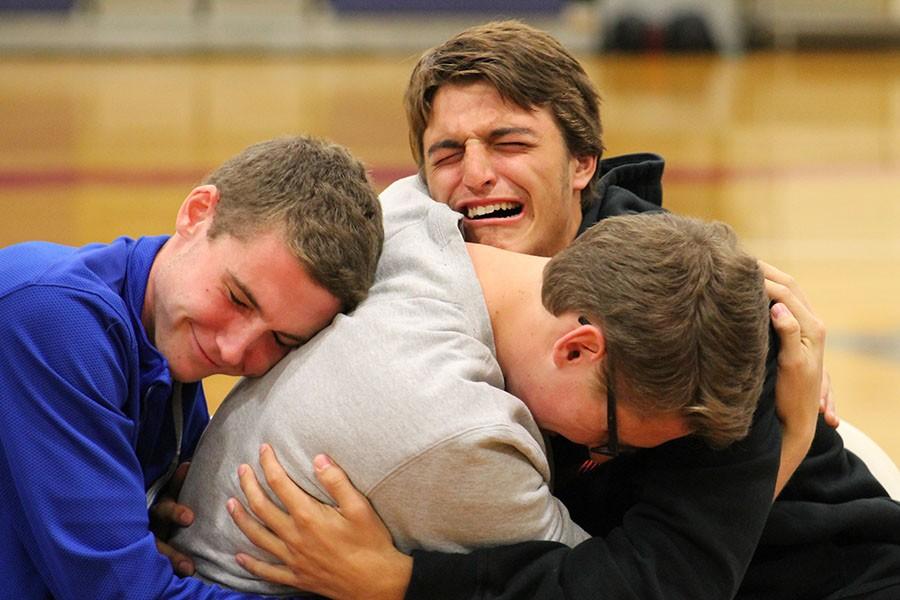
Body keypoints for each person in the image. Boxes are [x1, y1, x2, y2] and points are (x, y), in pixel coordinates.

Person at [221, 21, 900, 600]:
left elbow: (660, 583)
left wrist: (405, 582)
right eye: (447, 153)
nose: (476, 173)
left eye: (510, 143)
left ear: (583, 164)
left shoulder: (687, 324)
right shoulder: (423, 266)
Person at [172, 173, 776, 596]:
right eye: (616, 439)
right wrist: (790, 434)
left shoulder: (411, 212)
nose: (599, 457)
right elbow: (621, 588)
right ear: (578, 348)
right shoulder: (462, 433)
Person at [0, 135, 384, 599]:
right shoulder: (52, 315)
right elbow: (129, 593)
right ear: (197, 213)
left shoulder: (163, 352)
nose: (233, 351)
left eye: (281, 340)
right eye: (237, 298)